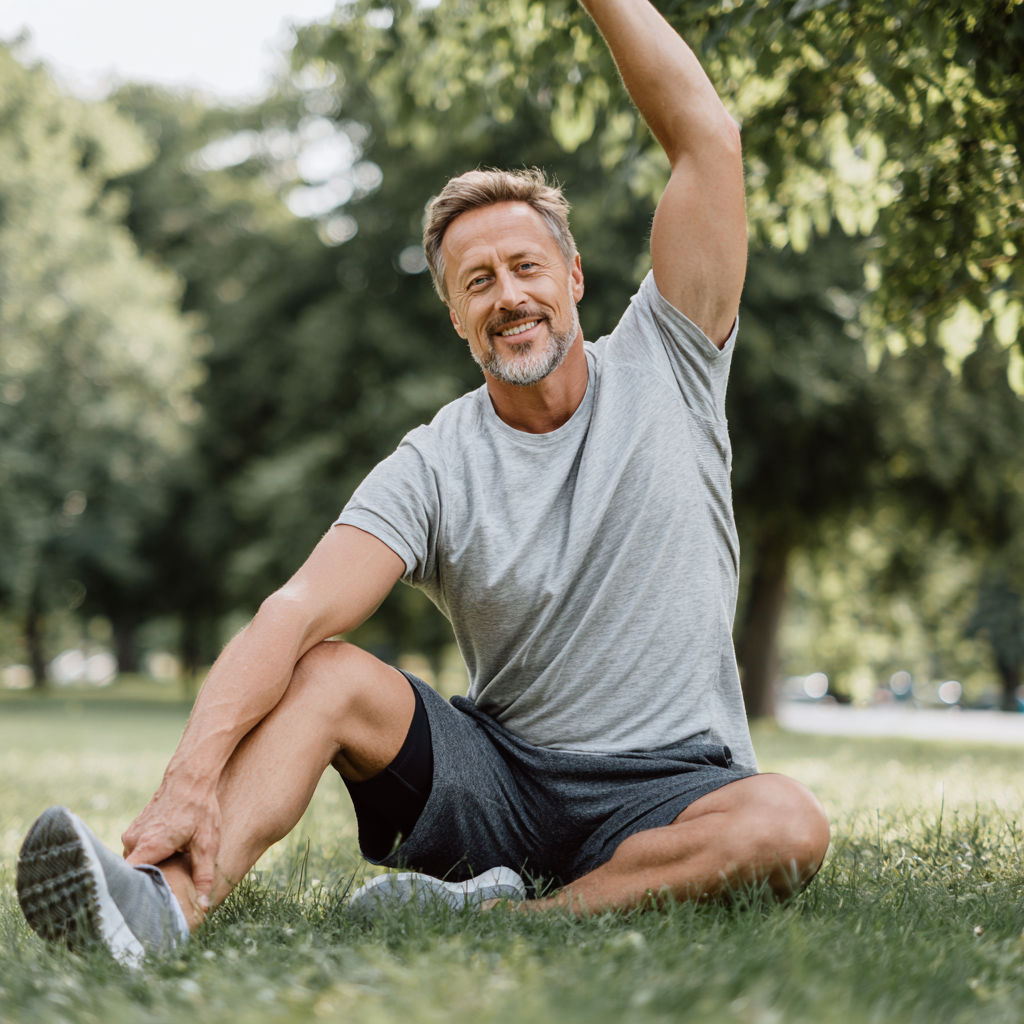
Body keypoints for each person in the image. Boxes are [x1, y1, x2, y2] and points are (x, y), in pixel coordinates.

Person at [16, 0, 830, 963]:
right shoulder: (437, 461)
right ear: (455, 318)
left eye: (526, 266)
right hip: (504, 784)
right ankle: (163, 908)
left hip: (675, 789)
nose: (508, 295)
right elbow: (295, 611)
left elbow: (708, 139)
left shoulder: (672, 358)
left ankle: (508, 921)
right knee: (323, 672)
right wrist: (187, 778)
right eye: (476, 282)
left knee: (788, 826)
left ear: (574, 276)